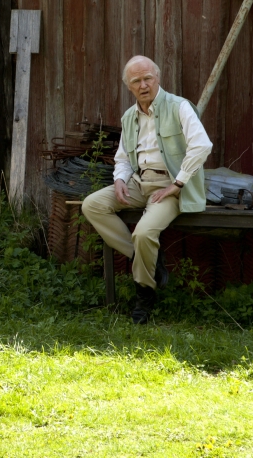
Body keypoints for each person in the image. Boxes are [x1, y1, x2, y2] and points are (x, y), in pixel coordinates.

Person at [82, 56, 212, 324]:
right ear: (129, 87)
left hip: (168, 189)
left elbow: (202, 145)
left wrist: (178, 184)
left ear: (158, 77)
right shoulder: (129, 117)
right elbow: (122, 158)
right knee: (92, 205)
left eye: (147, 78)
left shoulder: (179, 107)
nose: (143, 85)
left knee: (143, 233)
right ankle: (147, 258)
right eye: (136, 81)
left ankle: (144, 294)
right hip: (140, 184)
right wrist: (119, 179)